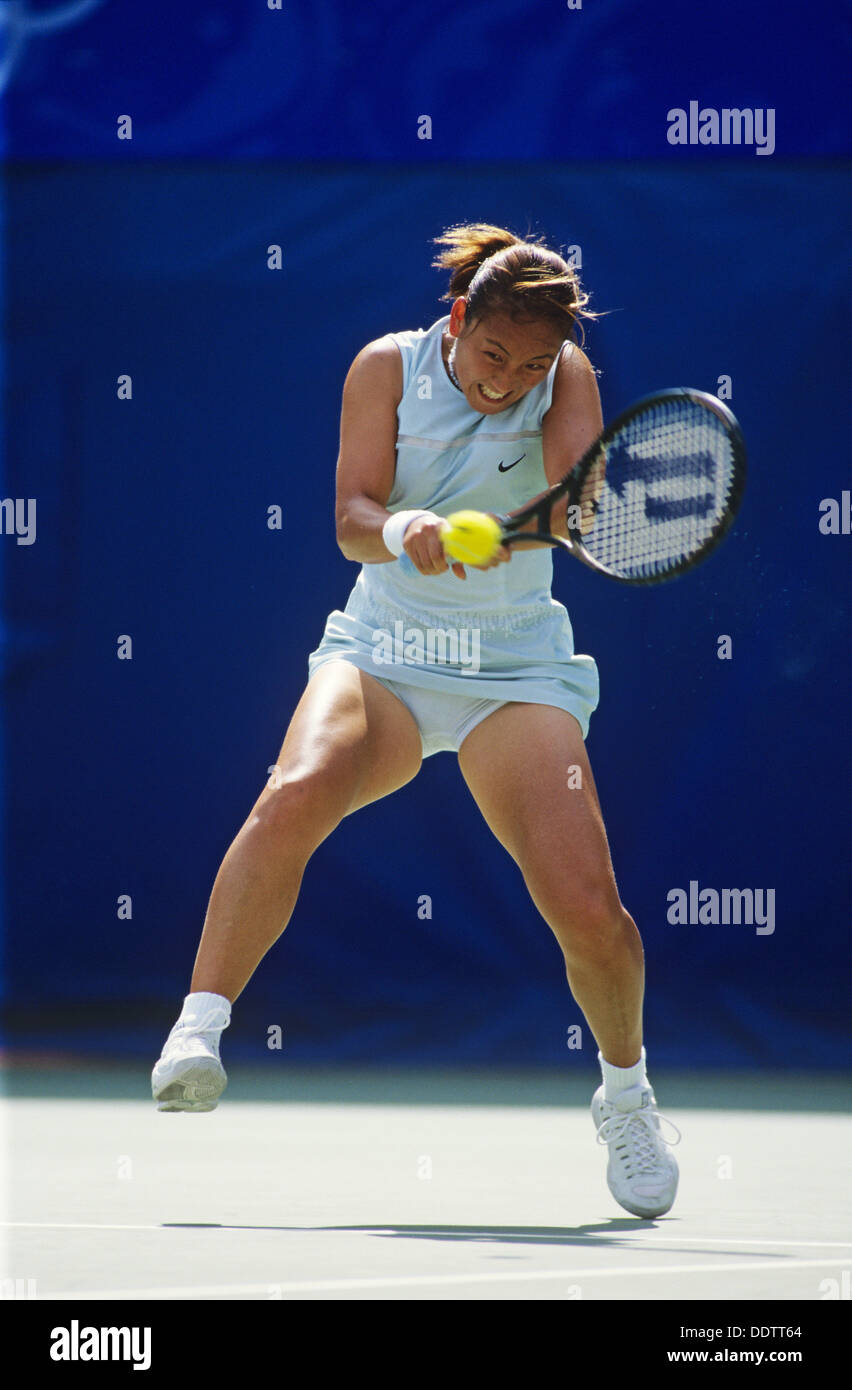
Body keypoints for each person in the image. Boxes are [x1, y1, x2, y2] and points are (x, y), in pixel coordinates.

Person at [152, 222, 680, 1218]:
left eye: (529, 364)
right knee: (295, 790)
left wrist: (569, 508)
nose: (508, 380)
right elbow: (351, 515)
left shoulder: (566, 376)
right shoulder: (383, 368)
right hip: (384, 648)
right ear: (456, 320)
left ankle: (626, 1091)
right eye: (492, 356)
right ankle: (201, 1024)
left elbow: (577, 504)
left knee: (590, 911)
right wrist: (409, 530)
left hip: (514, 667)